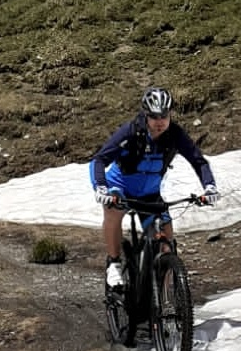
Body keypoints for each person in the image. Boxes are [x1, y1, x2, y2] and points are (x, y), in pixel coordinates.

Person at [90, 86, 219, 289]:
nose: (160, 122)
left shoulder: (175, 134)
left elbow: (198, 161)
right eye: (154, 116)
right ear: (146, 115)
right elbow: (99, 160)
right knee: (113, 209)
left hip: (150, 194)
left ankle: (166, 297)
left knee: (166, 241)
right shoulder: (131, 132)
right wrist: (101, 188)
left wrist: (209, 187)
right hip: (120, 188)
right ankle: (114, 263)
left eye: (164, 116)